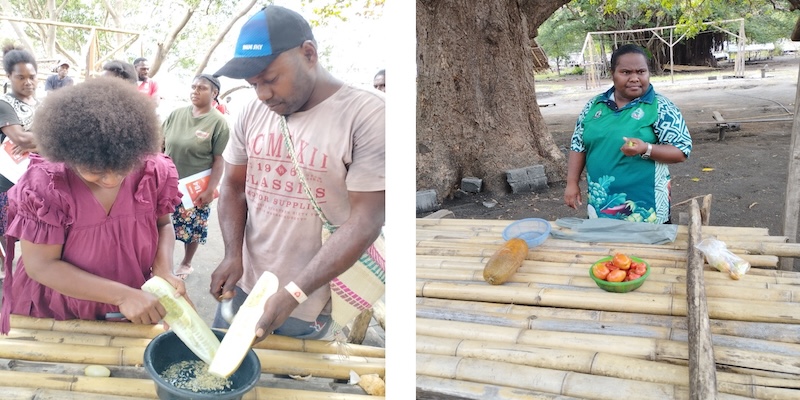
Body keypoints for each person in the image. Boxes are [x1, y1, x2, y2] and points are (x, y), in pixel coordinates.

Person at [210, 5, 385, 341]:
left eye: (271, 79)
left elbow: (366, 220)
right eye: (253, 84)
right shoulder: (251, 111)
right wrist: (232, 254)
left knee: (285, 386)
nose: (262, 94)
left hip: (309, 300)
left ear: (309, 53)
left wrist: (294, 293)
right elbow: (233, 187)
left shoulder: (368, 115)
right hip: (245, 284)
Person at [0, 77, 186, 334]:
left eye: (123, 168)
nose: (111, 180)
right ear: (67, 155)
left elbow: (163, 223)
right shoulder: (46, 186)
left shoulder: (153, 171)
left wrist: (164, 269)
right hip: (61, 309)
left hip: (133, 302)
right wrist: (122, 296)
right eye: (95, 171)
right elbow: (41, 265)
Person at [564, 44, 692, 224]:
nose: (634, 78)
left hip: (646, 207)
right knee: (609, 250)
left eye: (641, 72)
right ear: (612, 73)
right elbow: (578, 145)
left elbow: (680, 151)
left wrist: (645, 148)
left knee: (647, 251)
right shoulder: (594, 106)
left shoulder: (660, 106)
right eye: (625, 72)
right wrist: (572, 183)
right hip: (602, 204)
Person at [162, 74, 230, 280]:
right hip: (167, 182)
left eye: (202, 88)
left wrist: (210, 189)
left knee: (191, 227)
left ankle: (186, 263)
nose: (195, 91)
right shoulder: (176, 114)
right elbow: (161, 144)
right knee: (162, 223)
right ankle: (161, 263)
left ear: (214, 93)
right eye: (193, 87)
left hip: (194, 186)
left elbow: (219, 159)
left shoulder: (218, 123)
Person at [0, 44, 39, 268]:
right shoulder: (4, 104)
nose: (28, 82)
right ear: (9, 77)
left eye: (32, 77)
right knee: (7, 228)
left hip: (33, 177)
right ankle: (7, 273)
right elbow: (21, 140)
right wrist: (50, 139)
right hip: (6, 178)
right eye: (20, 77)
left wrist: (38, 140)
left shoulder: (41, 104)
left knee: (30, 229)